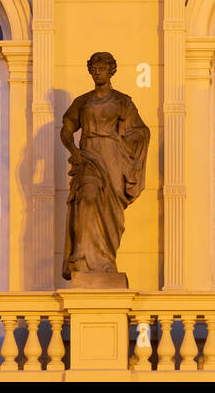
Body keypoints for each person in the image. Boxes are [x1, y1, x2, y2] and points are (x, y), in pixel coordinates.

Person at [60, 52, 150, 280]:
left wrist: (124, 143)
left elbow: (141, 131)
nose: (97, 71)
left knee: (111, 213)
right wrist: (75, 153)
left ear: (111, 70)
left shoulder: (122, 102)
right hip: (89, 156)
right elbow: (67, 130)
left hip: (113, 158)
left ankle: (105, 259)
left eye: (102, 67)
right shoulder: (82, 102)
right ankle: (82, 254)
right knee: (87, 197)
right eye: (94, 68)